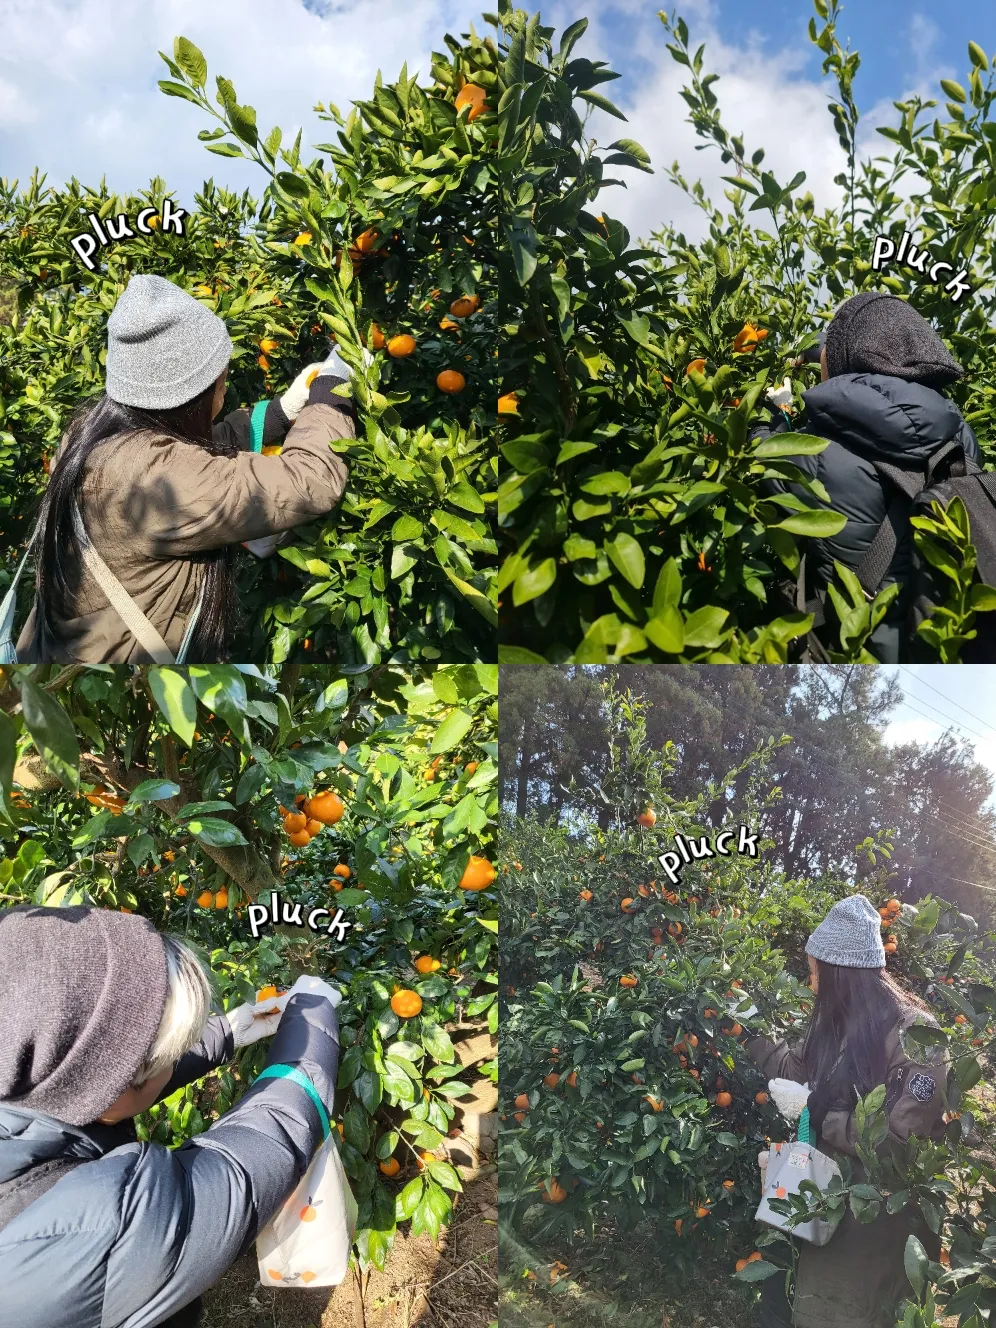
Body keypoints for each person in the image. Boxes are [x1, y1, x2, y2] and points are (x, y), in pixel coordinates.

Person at [0, 904, 341, 1328]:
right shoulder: (101, 1222)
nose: (178, 1055)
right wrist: (314, 1015)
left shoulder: (22, 1073)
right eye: (169, 1054)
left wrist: (229, 1031)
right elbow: (261, 1152)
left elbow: (112, 1068)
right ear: (112, 1085)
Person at [13, 273, 352, 663]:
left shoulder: (93, 437)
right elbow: (310, 481)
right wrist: (331, 392)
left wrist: (281, 413)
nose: (224, 389)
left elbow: (190, 454)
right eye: (221, 382)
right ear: (192, 394)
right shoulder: (158, 482)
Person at [733, 895, 947, 1328]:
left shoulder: (916, 1036)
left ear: (840, 974)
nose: (812, 985)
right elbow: (796, 1071)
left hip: (871, 1217)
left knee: (844, 1312)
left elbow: (897, 1141)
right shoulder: (833, 1024)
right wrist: (749, 1029)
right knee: (783, 1302)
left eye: (816, 973)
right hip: (814, 1194)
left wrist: (818, 1112)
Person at [755, 293, 982, 662]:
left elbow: (759, 449)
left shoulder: (820, 456)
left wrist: (775, 413)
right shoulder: (959, 442)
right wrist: (816, 349)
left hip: (859, 658)